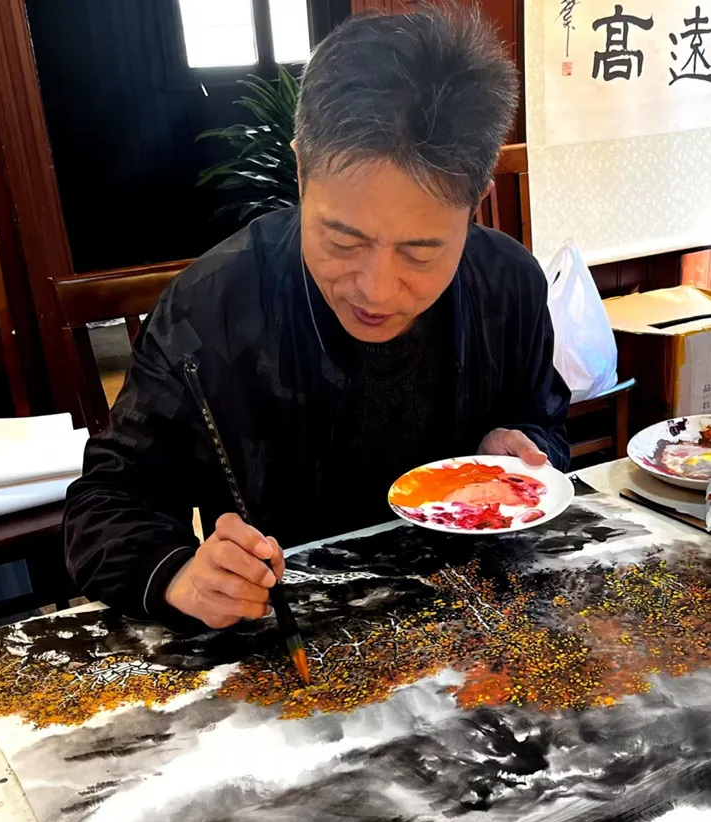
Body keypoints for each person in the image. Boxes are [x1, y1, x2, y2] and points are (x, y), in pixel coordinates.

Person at [64, 6, 570, 634]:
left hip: (479, 620)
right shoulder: (211, 309)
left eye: (420, 253)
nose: (376, 289)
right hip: (294, 634)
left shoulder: (508, 284)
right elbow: (105, 503)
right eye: (343, 239)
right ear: (302, 170)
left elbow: (544, 420)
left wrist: (520, 449)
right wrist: (180, 574)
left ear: (476, 203)